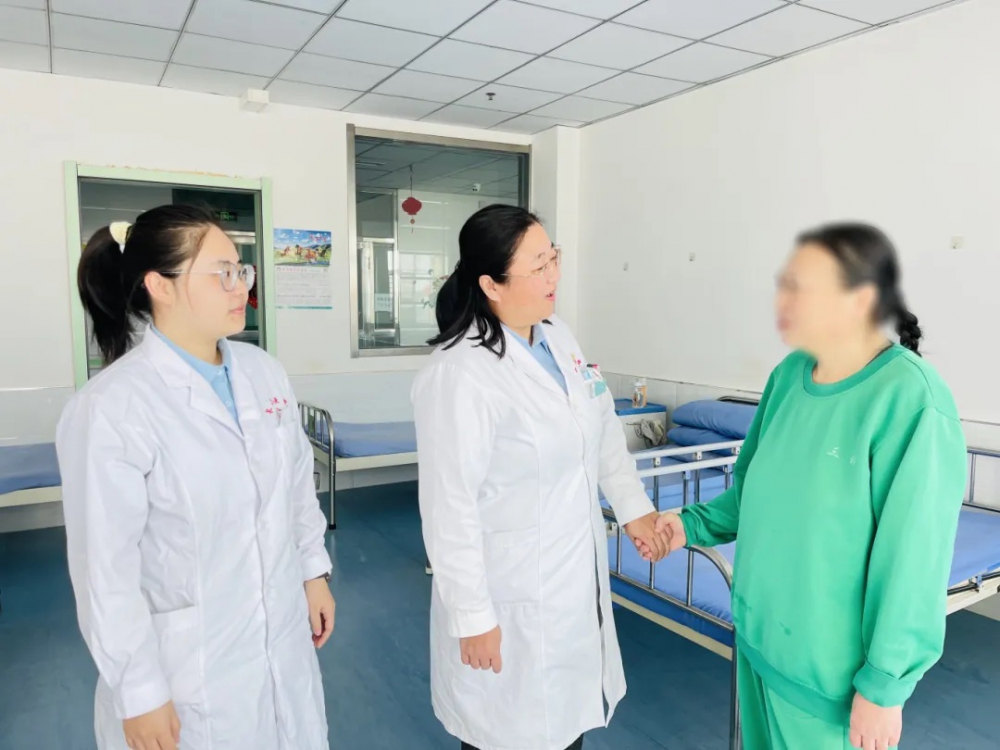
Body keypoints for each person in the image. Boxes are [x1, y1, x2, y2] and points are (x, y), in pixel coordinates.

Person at [656, 223, 968, 750]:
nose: (784, 301)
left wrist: (884, 687)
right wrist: (689, 525)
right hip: (761, 650)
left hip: (831, 687)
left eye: (803, 288)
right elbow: (752, 494)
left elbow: (914, 561)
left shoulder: (909, 401)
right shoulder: (788, 377)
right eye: (785, 284)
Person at [55, 205, 335, 750]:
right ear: (159, 285)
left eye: (242, 270)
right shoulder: (112, 407)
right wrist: (139, 692)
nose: (241, 287)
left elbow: (297, 487)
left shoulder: (262, 372)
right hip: (188, 669)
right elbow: (104, 570)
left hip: (281, 634)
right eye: (222, 273)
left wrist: (312, 573)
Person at [411, 204, 670, 750]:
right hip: (507, 597)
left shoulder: (559, 338)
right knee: (509, 732)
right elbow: (449, 507)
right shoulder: (460, 372)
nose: (554, 275)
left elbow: (601, 430)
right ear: (492, 284)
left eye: (554, 258)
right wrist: (472, 617)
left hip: (570, 583)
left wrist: (635, 511)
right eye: (538, 266)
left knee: (565, 730)